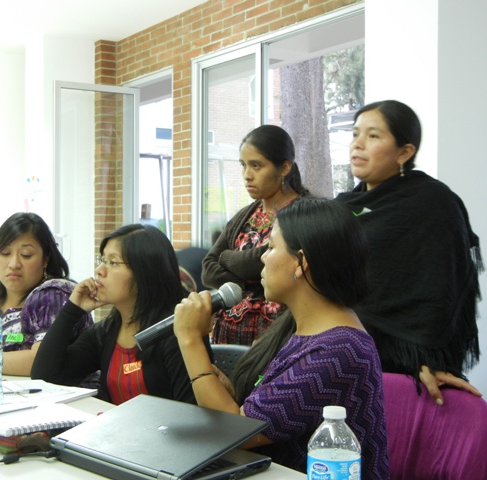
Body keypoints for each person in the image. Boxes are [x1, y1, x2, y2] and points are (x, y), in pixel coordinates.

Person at [173, 198, 389, 477]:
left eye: (271, 247)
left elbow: (240, 432)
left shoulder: (339, 350)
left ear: (301, 263)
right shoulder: (300, 327)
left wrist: (190, 339)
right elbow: (264, 416)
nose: (262, 256)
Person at [336, 100, 482, 404]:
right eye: (355, 134)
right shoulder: (341, 206)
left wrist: (425, 358)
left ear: (405, 152)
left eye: (373, 136)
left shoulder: (433, 203)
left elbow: (441, 289)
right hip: (339, 352)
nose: (358, 144)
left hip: (405, 368)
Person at [32, 224, 210, 405]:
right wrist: (72, 310)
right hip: (114, 430)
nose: (99, 270)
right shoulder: (106, 332)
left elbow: (191, 412)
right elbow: (46, 376)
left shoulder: (177, 332)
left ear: (144, 273)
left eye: (113, 262)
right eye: (102, 260)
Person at [0, 212, 92, 377]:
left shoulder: (54, 296)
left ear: (45, 259)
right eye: (5, 253)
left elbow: (40, 361)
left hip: (65, 398)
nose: (13, 264)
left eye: (26, 255)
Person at [201, 124, 309, 346]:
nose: (247, 175)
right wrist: (250, 282)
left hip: (276, 338)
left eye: (256, 166)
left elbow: (260, 261)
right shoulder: (245, 215)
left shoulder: (305, 213)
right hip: (227, 338)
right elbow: (208, 268)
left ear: (284, 167)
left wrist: (227, 259)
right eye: (244, 165)